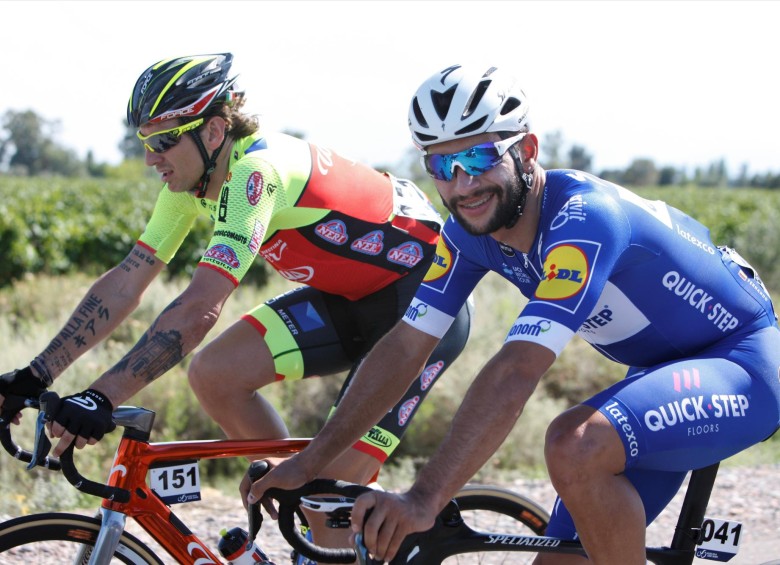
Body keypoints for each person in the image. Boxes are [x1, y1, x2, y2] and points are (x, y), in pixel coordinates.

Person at [244, 63, 780, 564]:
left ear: (526, 149)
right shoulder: (466, 236)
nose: (462, 184)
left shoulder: (584, 219)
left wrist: (425, 497)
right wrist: (310, 462)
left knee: (574, 444)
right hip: (660, 375)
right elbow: (406, 345)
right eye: (440, 166)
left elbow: (517, 369)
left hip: (743, 362)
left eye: (477, 158)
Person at [0, 53, 472, 559]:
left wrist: (102, 395)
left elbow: (202, 305)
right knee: (216, 375)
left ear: (214, 130)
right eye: (146, 143)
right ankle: (308, 514)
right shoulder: (191, 184)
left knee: (329, 486)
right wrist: (35, 374)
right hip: (349, 301)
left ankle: (334, 514)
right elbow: (125, 282)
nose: (150, 158)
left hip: (423, 308)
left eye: (163, 141)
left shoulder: (256, 174)